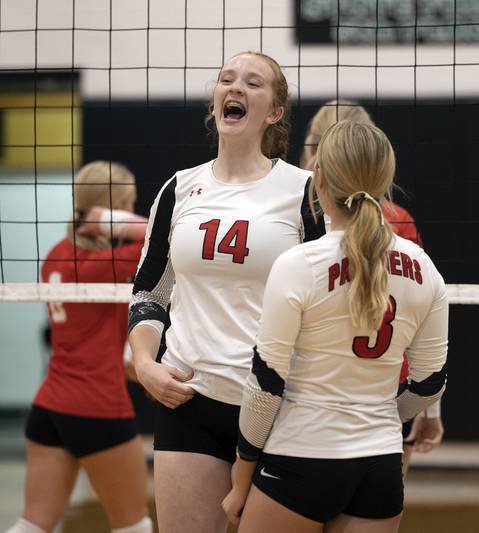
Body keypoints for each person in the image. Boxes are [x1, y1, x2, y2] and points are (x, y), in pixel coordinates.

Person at [127, 51, 325, 533]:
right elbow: (151, 291)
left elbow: (329, 300)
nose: (235, 88)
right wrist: (145, 363)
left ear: (274, 111)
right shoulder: (179, 188)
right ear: (215, 101)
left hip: (277, 404)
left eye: (253, 84)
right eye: (226, 80)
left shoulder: (304, 190)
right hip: (188, 401)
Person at [221, 120, 448, 532]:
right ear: (385, 181)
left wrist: (241, 479)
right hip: (380, 468)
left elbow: (266, 383)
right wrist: (380, 417)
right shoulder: (424, 268)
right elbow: (431, 383)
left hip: (301, 457)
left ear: (318, 178)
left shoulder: (298, 265)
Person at [6, 161, 152, 533]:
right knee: (134, 526)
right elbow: (160, 234)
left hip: (49, 406)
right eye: (129, 201)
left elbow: (89, 335)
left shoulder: (56, 253)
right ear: (115, 207)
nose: (134, 206)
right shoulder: (110, 262)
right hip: (97, 407)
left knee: (33, 524)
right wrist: (106, 219)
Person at [300, 99, 444, 473]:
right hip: (388, 395)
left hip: (308, 394)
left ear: (312, 152)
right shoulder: (398, 219)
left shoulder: (290, 216)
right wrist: (429, 405)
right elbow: (421, 322)